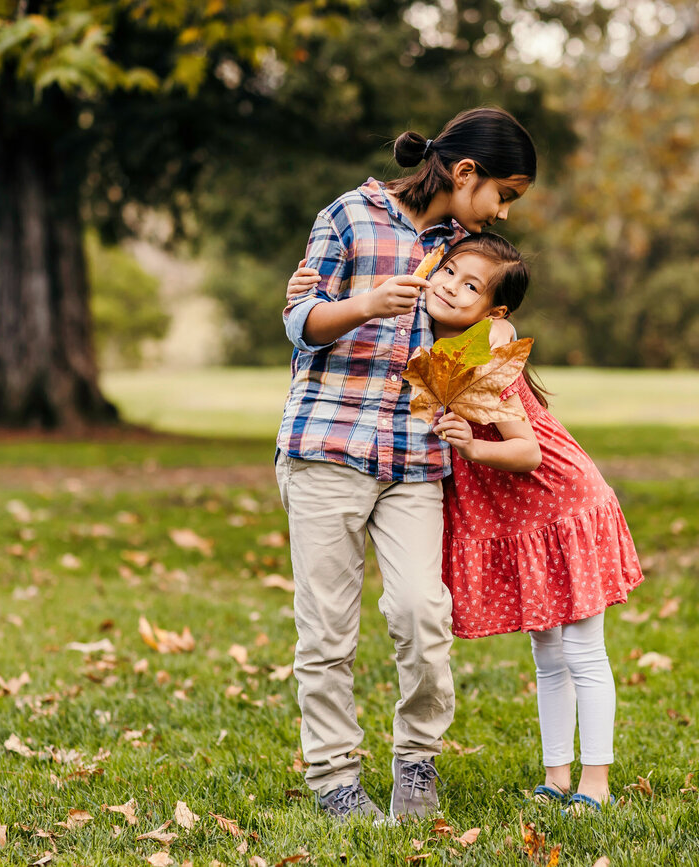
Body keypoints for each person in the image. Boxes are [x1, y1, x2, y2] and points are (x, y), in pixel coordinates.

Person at [288, 233, 644, 814]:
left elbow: (526, 452)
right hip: (522, 516)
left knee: (583, 651)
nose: (452, 287)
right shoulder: (439, 347)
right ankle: (557, 778)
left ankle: (595, 784)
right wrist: (303, 292)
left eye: (471, 286)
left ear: (493, 310)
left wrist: (474, 451)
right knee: (548, 656)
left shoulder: (483, 359)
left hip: (559, 503)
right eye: (449, 272)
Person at [276, 107, 536, 823]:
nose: (503, 209)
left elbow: (493, 315)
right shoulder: (350, 217)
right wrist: (363, 305)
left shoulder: (467, 247)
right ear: (464, 173)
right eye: (503, 193)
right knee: (327, 629)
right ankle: (334, 778)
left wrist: (499, 323)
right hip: (328, 444)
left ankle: (415, 758)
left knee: (424, 613)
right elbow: (300, 323)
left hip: (417, 457)